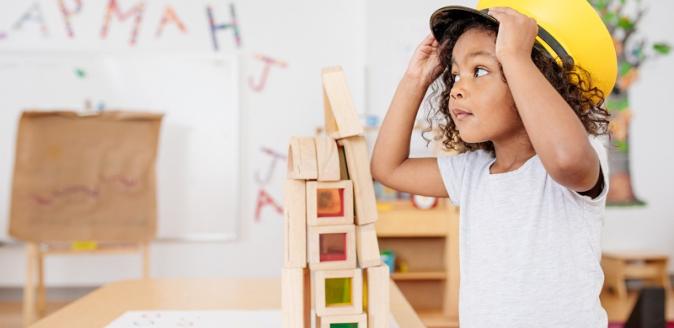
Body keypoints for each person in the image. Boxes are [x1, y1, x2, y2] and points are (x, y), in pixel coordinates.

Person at [370, 1, 617, 326]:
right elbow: (388, 168)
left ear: (539, 77)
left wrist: (514, 55)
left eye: (480, 70)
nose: (456, 88)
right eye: (455, 74)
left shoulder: (579, 156)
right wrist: (415, 80)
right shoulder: (471, 172)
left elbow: (566, 158)